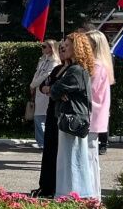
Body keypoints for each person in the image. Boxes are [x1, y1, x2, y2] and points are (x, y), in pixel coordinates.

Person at [50, 33, 98, 199]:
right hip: (72, 117)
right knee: (70, 157)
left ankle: (73, 194)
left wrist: (58, 90)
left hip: (72, 119)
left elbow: (54, 89)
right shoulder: (77, 69)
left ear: (76, 48)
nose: (64, 48)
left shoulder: (76, 70)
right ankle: (71, 193)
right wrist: (57, 90)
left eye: (68, 45)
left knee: (72, 159)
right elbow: (54, 89)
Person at [34, 52, 70, 198]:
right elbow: (44, 86)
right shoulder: (57, 69)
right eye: (61, 48)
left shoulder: (73, 69)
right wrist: (51, 89)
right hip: (51, 110)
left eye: (65, 47)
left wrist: (52, 89)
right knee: (49, 149)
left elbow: (58, 89)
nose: (62, 51)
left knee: (58, 150)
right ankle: (45, 186)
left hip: (61, 112)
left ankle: (55, 187)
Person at [84, 30, 114, 166]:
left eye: (86, 43)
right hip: (93, 114)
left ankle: (89, 186)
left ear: (94, 46)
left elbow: (89, 90)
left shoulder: (96, 66)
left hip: (91, 114)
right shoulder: (100, 64)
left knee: (88, 156)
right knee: (90, 154)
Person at [30, 41, 61, 149]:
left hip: (45, 92)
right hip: (39, 91)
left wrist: (34, 84)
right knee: (38, 117)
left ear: (51, 48)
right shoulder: (43, 59)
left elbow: (45, 75)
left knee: (42, 118)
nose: (42, 48)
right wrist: (32, 85)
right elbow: (37, 73)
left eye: (44, 46)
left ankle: (44, 143)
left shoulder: (54, 62)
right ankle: (41, 141)